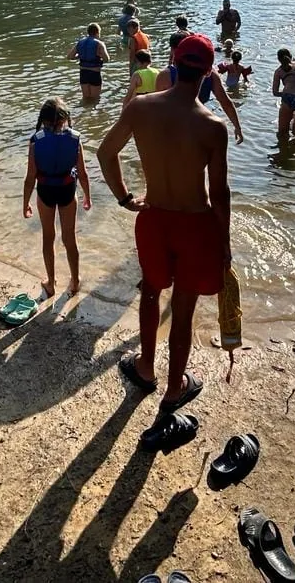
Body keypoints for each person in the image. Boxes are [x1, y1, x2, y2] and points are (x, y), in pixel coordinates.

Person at [98, 34, 231, 416]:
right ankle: (174, 388)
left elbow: (105, 153)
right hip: (195, 225)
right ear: (208, 72)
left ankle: (145, 368)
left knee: (150, 292)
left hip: (154, 218)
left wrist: (125, 198)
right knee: (183, 310)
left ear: (173, 60)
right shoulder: (212, 126)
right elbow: (219, 193)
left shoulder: (141, 107)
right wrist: (224, 244)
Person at [23, 98, 91, 296]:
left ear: (43, 120)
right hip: (67, 190)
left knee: (48, 236)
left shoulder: (36, 141)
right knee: (70, 238)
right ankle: (75, 281)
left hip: (45, 190)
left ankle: (51, 283)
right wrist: (87, 196)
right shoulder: (75, 139)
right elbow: (83, 173)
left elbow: (30, 177)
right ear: (65, 119)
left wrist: (25, 203)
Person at [156, 32, 244, 144]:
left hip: (173, 128)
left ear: (175, 50)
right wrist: (237, 127)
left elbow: (159, 110)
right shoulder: (210, 73)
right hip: (199, 124)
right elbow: (225, 102)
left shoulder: (166, 75)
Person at [68, 24, 109, 102]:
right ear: (97, 32)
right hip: (94, 73)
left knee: (85, 98)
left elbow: (70, 57)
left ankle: (84, 109)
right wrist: (100, 55)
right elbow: (107, 59)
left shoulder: (80, 42)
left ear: (88, 32)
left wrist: (79, 56)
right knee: (95, 99)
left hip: (83, 73)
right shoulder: (99, 44)